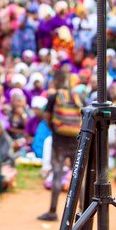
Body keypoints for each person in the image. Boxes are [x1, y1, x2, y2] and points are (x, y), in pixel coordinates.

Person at [38, 70, 82, 221]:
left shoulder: (53, 97)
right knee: (77, 175)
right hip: (75, 140)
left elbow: (47, 118)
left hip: (59, 140)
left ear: (56, 81)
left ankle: (52, 211)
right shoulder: (77, 97)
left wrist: (55, 129)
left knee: (57, 173)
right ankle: (83, 211)